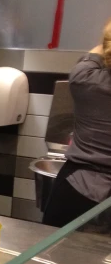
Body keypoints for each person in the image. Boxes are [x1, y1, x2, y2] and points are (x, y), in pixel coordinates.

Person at [42, 19, 111, 231]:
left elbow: (93, 55)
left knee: (52, 253)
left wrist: (105, 44)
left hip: (78, 186)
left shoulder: (86, 79)